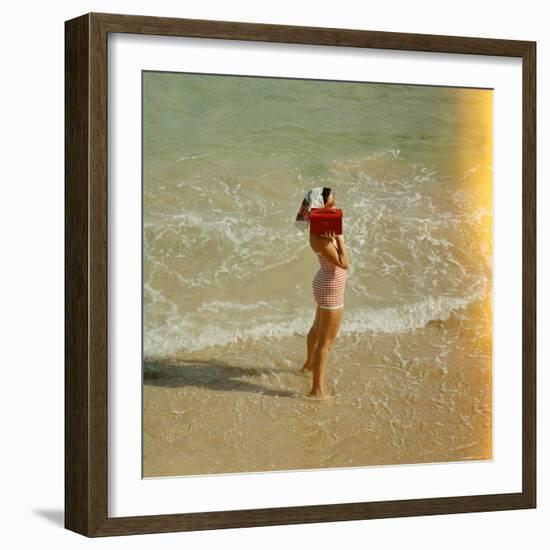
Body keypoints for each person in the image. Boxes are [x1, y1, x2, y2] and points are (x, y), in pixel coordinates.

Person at [294, 187, 350, 399]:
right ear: (320, 207)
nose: (335, 208)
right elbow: (344, 263)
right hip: (331, 288)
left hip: (326, 283)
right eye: (331, 205)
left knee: (317, 329)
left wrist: (335, 235)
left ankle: (308, 366)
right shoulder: (322, 238)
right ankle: (316, 389)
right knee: (326, 343)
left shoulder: (320, 233)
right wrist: (340, 238)